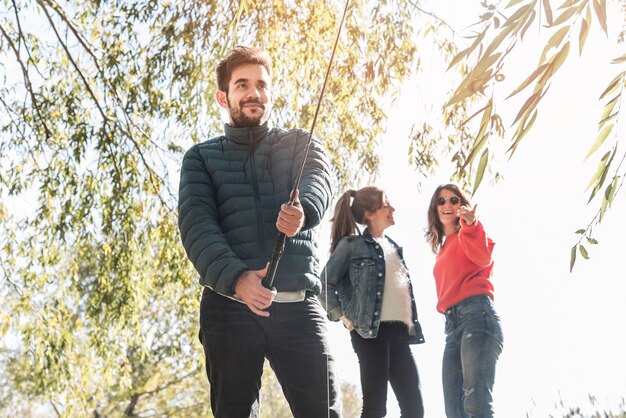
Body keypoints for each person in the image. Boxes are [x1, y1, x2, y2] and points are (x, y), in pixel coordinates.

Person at [177, 46, 342, 418]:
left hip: (299, 307)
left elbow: (319, 182)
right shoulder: (201, 158)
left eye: (261, 85)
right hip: (228, 309)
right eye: (242, 85)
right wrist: (237, 279)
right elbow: (196, 225)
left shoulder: (301, 142)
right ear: (224, 97)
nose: (254, 93)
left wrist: (304, 212)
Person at [319, 186, 425, 418]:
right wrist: (345, 319)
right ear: (369, 213)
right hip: (370, 335)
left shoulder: (395, 247)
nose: (392, 208)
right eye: (386, 204)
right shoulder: (351, 246)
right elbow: (324, 283)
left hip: (399, 335)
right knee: (376, 408)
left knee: (415, 409)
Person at [425, 184, 504, 418]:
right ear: (435, 209)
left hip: (477, 319)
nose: (447, 205)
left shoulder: (471, 233)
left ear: (462, 206)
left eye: (454, 200)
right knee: (455, 412)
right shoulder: (442, 250)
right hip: (452, 329)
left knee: (476, 406)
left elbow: (483, 256)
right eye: (441, 201)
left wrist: (471, 224)